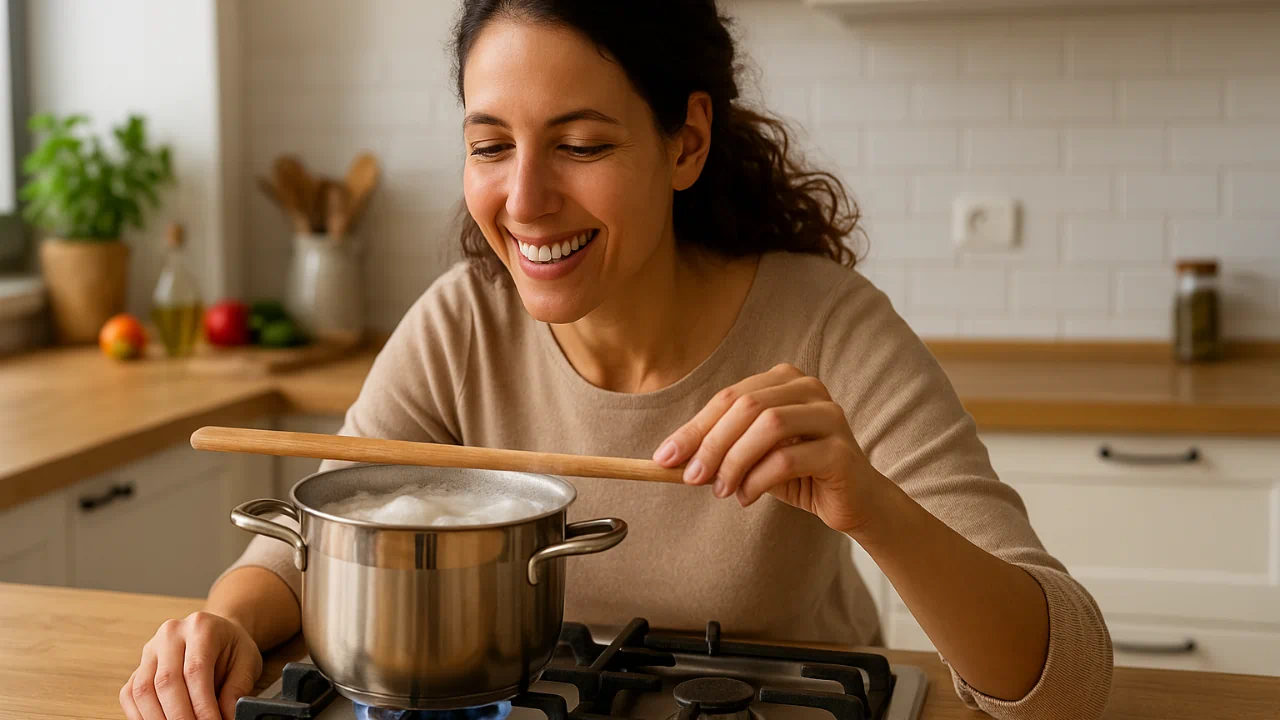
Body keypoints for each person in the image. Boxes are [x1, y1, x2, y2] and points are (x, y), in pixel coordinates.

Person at [120, 2, 1113, 719]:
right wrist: (228, 625)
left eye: (580, 144)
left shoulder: (826, 328)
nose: (524, 198)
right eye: (490, 144)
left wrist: (869, 501)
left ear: (683, 144)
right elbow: (307, 542)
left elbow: (1064, 682)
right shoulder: (463, 322)